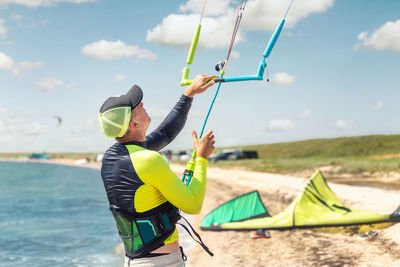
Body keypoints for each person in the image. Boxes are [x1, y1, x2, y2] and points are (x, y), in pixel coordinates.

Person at [98, 75, 217, 267]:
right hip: (161, 263)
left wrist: (189, 94)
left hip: (135, 261)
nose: (142, 104)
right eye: (137, 106)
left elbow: (165, 134)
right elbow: (193, 205)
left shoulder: (112, 157)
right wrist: (201, 158)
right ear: (133, 124)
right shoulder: (148, 159)